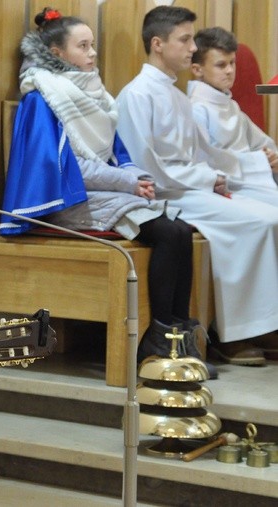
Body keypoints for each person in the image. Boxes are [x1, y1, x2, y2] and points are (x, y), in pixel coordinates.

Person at [0, 8, 216, 376]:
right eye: (83, 46)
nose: (93, 53)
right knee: (165, 234)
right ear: (56, 52)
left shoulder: (93, 92)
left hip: (101, 192)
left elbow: (118, 154)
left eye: (93, 45)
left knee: (181, 229)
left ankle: (178, 333)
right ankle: (156, 343)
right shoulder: (43, 97)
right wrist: (127, 183)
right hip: (65, 200)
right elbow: (67, 170)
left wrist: (136, 177)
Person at [115, 5, 278, 366]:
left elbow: (209, 152)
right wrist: (209, 178)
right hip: (165, 196)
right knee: (258, 222)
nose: (192, 49)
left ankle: (260, 323)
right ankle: (232, 332)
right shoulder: (137, 94)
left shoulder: (174, 94)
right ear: (158, 44)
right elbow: (145, 167)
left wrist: (244, 166)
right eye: (185, 40)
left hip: (192, 188)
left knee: (269, 216)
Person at [188, 26, 278, 186]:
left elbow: (263, 143)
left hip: (256, 177)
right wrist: (258, 161)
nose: (229, 70)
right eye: (221, 65)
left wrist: (272, 157)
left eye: (232, 63)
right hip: (230, 185)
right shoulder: (196, 109)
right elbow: (205, 163)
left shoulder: (230, 104)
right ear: (197, 69)